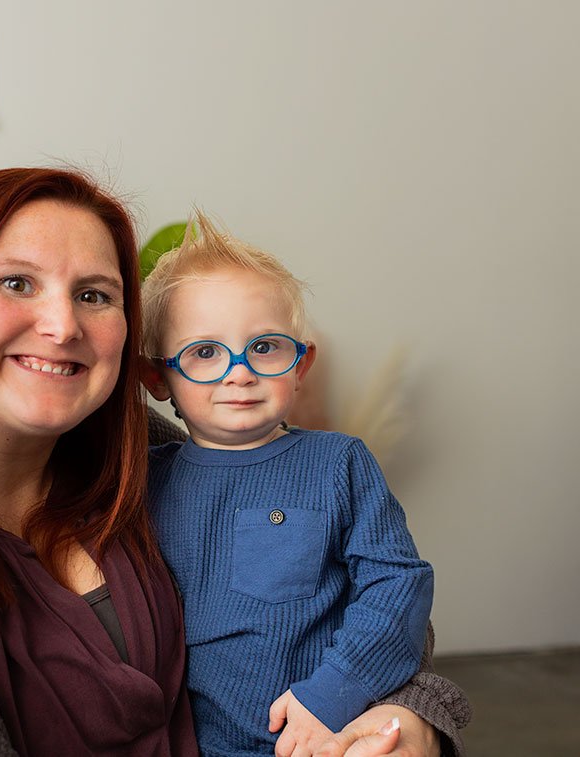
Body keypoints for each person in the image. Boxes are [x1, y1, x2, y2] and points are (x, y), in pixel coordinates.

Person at [0, 168, 467, 756]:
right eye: (16, 282)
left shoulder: (138, 454)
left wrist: (411, 720)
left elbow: (346, 601)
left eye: (97, 294)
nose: (62, 323)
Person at [140, 213, 439, 757]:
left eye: (265, 347)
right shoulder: (143, 482)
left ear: (301, 364)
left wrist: (333, 692)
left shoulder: (338, 463)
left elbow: (399, 586)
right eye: (203, 352)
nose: (239, 372)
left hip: (331, 735)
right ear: (158, 378)